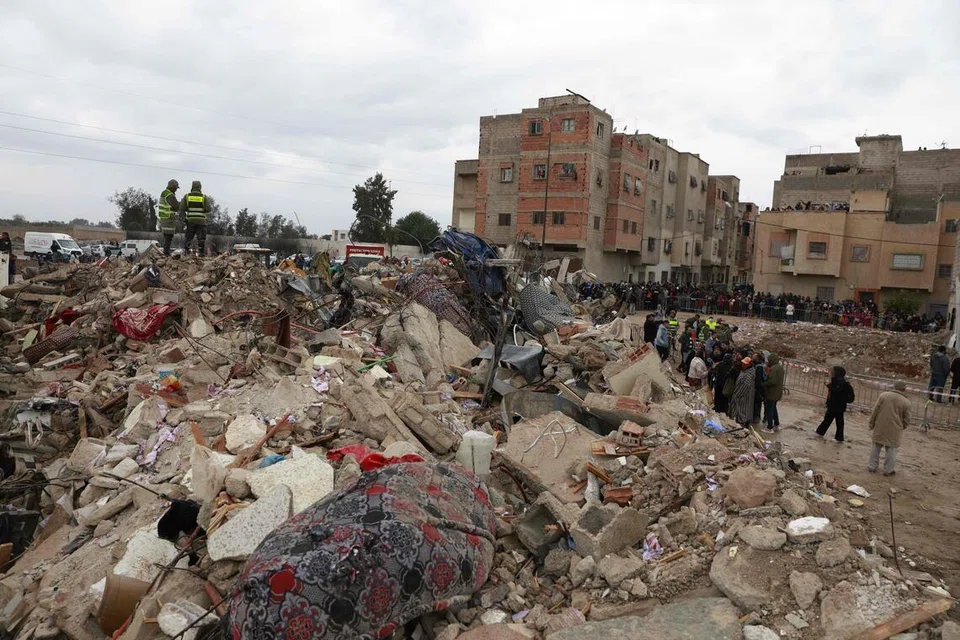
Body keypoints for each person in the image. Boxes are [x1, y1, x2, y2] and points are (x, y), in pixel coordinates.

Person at [867, 380, 911, 476]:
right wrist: (903, 426)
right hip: (895, 428)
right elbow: (907, 418)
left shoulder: (883, 396)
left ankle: (872, 466)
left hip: (880, 425)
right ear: (904, 389)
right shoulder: (906, 401)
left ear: (894, 387)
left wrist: (872, 423)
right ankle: (888, 470)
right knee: (891, 450)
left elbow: (875, 410)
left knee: (876, 447)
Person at [815, 366, 855, 442]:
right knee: (833, 420)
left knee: (832, 420)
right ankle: (823, 433)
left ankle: (833, 436)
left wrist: (828, 385)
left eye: (832, 371)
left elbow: (836, 392)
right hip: (837, 405)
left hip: (837, 405)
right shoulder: (838, 380)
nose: (831, 373)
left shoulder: (840, 381)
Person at [179, 180, 212, 256]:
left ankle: (186, 253)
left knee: (188, 237)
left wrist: (184, 218)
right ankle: (201, 254)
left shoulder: (187, 196)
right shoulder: (203, 197)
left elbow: (181, 209)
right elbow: (208, 209)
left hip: (190, 220)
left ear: (192, 187)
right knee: (201, 238)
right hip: (201, 221)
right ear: (200, 187)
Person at [728, 358, 756, 425]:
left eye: (745, 364)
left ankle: (743, 424)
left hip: (744, 397)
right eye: (743, 363)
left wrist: (737, 394)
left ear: (749, 364)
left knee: (743, 412)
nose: (743, 365)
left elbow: (745, 387)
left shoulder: (749, 375)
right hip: (740, 396)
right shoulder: (744, 371)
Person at [762, 352, 784, 432]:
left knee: (770, 409)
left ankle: (769, 427)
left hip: (772, 392)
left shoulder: (774, 368)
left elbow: (772, 381)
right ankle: (776, 424)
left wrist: (764, 384)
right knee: (774, 408)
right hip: (777, 392)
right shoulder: (779, 367)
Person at [157, 179, 180, 256]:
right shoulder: (170, 195)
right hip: (168, 218)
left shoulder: (164, 193)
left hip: (163, 217)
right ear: (173, 187)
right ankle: (166, 253)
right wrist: (181, 203)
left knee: (166, 236)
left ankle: (165, 252)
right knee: (169, 236)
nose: (176, 189)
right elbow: (176, 206)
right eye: (176, 187)